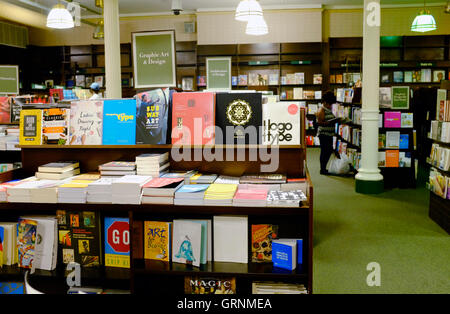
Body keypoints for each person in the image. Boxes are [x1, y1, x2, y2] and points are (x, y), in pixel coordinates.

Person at [316, 91, 339, 175]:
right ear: (325, 102)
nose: (329, 105)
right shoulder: (322, 110)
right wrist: (329, 122)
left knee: (328, 151)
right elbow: (319, 122)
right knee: (325, 151)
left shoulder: (332, 109)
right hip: (323, 134)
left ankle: (323, 168)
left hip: (330, 134)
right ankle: (322, 169)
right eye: (328, 104)